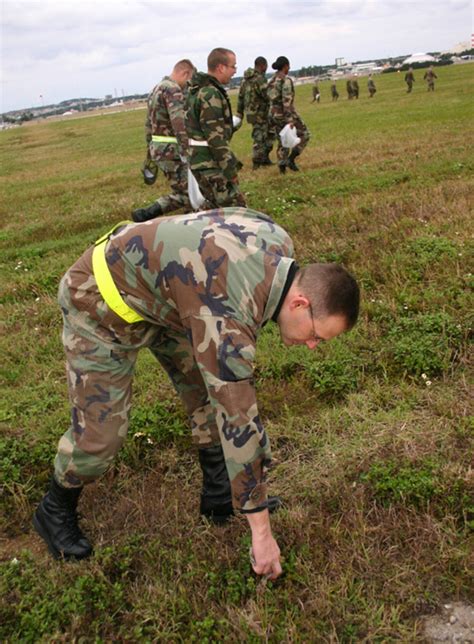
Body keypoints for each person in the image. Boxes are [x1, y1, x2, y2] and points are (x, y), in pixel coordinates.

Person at [33, 207, 360, 580]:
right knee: (100, 437)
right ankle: (54, 509)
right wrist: (262, 535)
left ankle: (219, 496)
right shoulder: (225, 314)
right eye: (317, 335)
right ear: (300, 303)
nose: (314, 345)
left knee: (206, 397)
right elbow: (239, 419)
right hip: (100, 304)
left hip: (172, 299)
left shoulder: (277, 240)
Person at [132, 60, 196, 223]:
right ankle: (146, 214)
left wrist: (149, 151)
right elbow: (178, 121)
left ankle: (191, 220)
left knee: (186, 191)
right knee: (188, 194)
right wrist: (188, 148)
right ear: (185, 73)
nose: (187, 86)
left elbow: (148, 124)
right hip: (172, 150)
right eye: (189, 81)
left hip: (160, 150)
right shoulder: (172, 89)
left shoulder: (156, 89)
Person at [185, 48, 246, 208]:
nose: (235, 71)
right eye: (233, 66)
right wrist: (230, 171)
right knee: (235, 209)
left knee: (214, 208)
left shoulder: (198, 90)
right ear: (221, 67)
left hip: (200, 161)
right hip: (209, 163)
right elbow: (216, 139)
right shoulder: (210, 94)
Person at [267, 56, 310, 174]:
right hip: (285, 114)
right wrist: (290, 119)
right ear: (285, 66)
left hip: (273, 115)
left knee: (282, 140)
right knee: (305, 134)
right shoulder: (285, 80)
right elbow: (286, 101)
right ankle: (291, 159)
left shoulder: (271, 80)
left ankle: (282, 168)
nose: (289, 68)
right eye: (288, 65)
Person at [235, 56, 273, 170]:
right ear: (262, 65)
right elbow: (267, 95)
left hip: (251, 113)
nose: (266, 68)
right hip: (261, 113)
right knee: (261, 138)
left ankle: (264, 159)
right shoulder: (259, 79)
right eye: (265, 66)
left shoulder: (245, 80)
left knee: (264, 135)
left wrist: (239, 113)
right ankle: (257, 162)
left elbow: (240, 97)